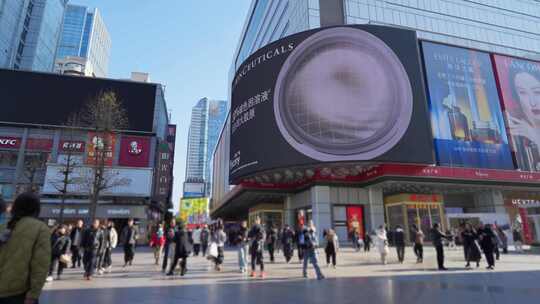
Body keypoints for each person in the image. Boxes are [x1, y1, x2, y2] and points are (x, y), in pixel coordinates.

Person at [0, 193, 51, 304]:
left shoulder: (4, 226)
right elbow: (40, 265)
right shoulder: (40, 228)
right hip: (18, 293)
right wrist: (33, 294)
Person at [506, 63, 540, 171]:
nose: (532, 102)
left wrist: (536, 138)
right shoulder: (514, 125)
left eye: (537, 92)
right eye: (522, 93)